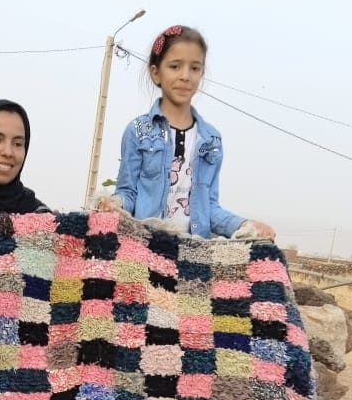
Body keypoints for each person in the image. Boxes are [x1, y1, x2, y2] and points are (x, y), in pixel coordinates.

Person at [106, 25, 275, 240]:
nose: (185, 76)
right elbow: (128, 193)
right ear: (156, 73)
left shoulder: (211, 140)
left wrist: (245, 225)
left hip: (192, 254)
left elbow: (209, 207)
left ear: (202, 73)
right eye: (175, 66)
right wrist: (114, 204)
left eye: (194, 68)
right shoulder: (138, 131)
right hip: (144, 248)